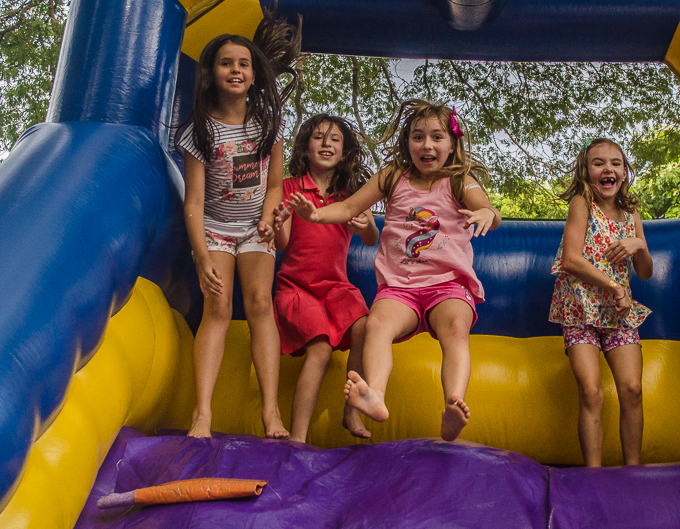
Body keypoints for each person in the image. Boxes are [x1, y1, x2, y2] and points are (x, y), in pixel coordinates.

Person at [287, 100, 501, 442]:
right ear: (407, 142)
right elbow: (347, 206)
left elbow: (487, 208)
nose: (427, 145)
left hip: (446, 284)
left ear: (452, 143)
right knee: (377, 325)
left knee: (456, 328)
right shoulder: (392, 176)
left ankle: (452, 404)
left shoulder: (460, 180)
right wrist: (316, 216)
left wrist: (488, 215)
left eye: (436, 137)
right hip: (400, 287)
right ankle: (375, 397)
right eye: (418, 137)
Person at [175, 16, 300, 439]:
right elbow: (193, 202)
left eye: (243, 64)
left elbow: (277, 183)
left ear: (253, 75)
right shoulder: (201, 131)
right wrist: (202, 254)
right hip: (213, 228)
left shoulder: (268, 123)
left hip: (254, 228)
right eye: (226, 63)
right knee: (219, 309)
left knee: (261, 305)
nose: (235, 70)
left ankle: (271, 413)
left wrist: (269, 215)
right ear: (212, 73)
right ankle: (202, 415)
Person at [272, 114, 379, 443]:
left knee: (365, 326)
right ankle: (298, 439)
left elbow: (372, 239)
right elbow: (283, 244)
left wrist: (368, 226)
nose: (326, 144)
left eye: (334, 140)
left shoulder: (349, 197)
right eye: (318, 138)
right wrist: (279, 221)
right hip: (297, 289)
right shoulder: (290, 187)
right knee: (320, 350)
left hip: (335, 288)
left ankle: (352, 410)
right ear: (305, 148)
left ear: (345, 153)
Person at [548, 138, 653, 466]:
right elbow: (571, 260)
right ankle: (593, 474)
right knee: (591, 392)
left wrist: (639, 244)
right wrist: (614, 286)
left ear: (624, 172)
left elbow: (645, 273)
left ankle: (632, 470)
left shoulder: (631, 212)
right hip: (579, 310)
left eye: (616, 163)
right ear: (586, 171)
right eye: (598, 163)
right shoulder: (582, 203)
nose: (608, 169)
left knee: (632, 389)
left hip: (617, 315)